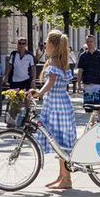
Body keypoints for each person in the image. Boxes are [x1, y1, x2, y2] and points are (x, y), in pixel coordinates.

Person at [31, 30, 77, 190]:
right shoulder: (61, 61)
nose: (45, 45)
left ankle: (66, 179)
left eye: (46, 43)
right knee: (60, 143)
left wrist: (39, 93)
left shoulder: (53, 63)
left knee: (60, 144)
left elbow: (50, 82)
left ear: (52, 45)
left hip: (56, 107)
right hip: (62, 105)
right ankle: (63, 176)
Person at [76, 35, 100, 110]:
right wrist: (78, 84)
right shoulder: (83, 56)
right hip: (87, 84)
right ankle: (91, 121)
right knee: (88, 108)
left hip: (97, 84)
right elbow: (80, 70)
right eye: (88, 42)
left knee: (98, 107)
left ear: (95, 43)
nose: (89, 43)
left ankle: (99, 121)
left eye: (91, 41)